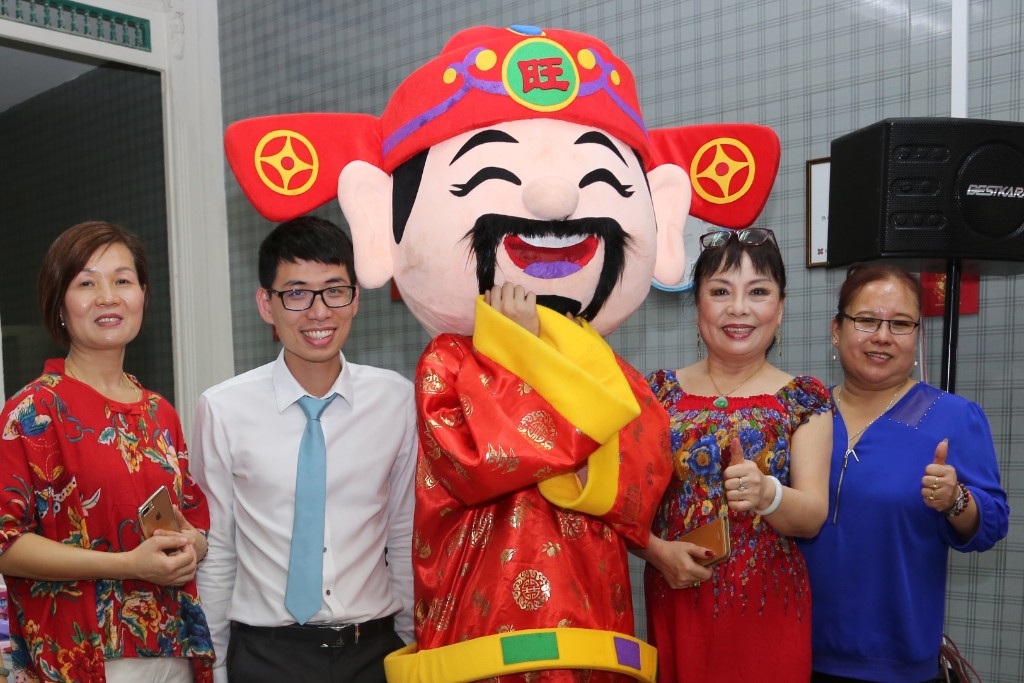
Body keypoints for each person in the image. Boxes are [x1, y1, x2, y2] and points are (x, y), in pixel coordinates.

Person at [191, 215, 416, 683]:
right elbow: (218, 551)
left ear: (355, 298)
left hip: (372, 652)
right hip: (266, 656)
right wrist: (213, 667)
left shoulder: (396, 399)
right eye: (296, 294)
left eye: (335, 291)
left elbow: (404, 535)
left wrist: (410, 643)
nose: (319, 312)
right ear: (266, 304)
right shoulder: (223, 408)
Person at [0, 221, 214, 682]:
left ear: (143, 296)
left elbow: (193, 519)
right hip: (80, 658)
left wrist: (192, 546)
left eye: (122, 280)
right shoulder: (34, 411)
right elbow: (7, 542)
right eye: (86, 283)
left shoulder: (159, 412)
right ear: (59, 305)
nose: (107, 297)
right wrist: (127, 565)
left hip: (172, 649)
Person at [638, 227, 833, 683]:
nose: (739, 308)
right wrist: (658, 553)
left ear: (780, 307)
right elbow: (624, 505)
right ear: (697, 305)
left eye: (758, 292)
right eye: (720, 291)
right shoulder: (657, 394)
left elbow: (812, 516)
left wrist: (768, 495)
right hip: (678, 595)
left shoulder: (803, 399)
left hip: (768, 608)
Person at [798, 263, 1009, 683]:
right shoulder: (803, 413)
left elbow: (991, 525)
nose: (882, 336)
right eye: (866, 320)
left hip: (896, 662)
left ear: (917, 335)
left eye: (900, 324)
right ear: (836, 329)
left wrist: (956, 500)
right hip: (795, 649)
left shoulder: (953, 416)